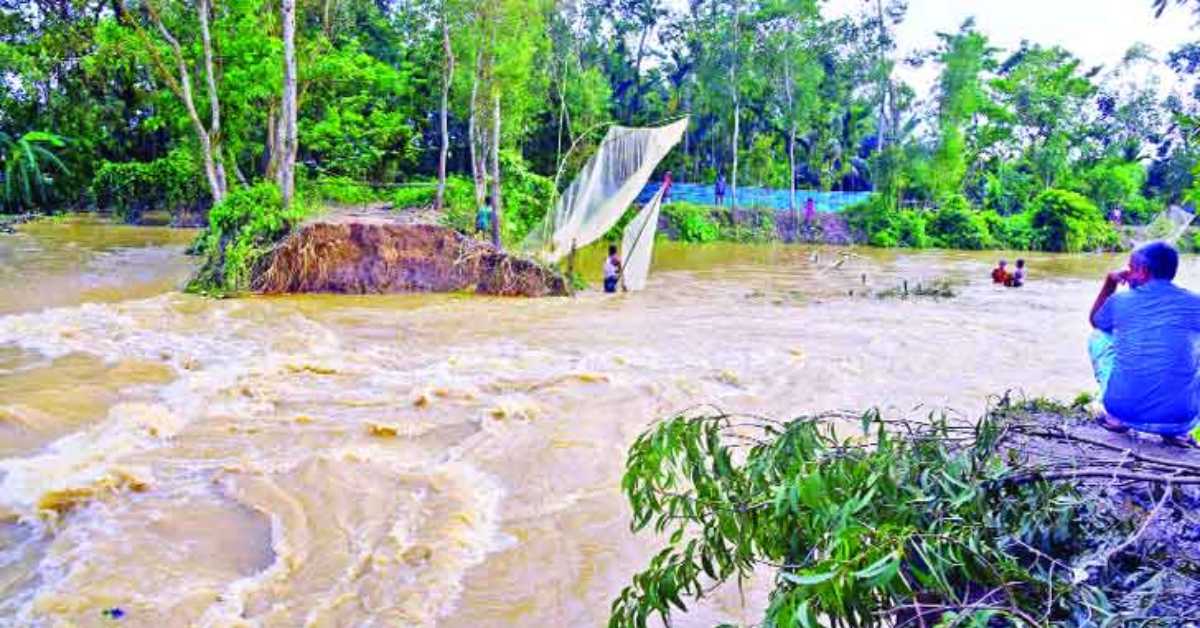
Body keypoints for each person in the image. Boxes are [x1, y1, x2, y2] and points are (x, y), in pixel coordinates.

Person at [1089, 241, 1200, 445]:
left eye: (1130, 269)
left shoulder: (1121, 301)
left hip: (1123, 410)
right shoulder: (1196, 302)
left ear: (1143, 271)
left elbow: (1096, 321)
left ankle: (1116, 419)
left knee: (1098, 337)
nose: (1127, 274)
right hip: (1181, 418)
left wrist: (1109, 283)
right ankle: (1176, 431)